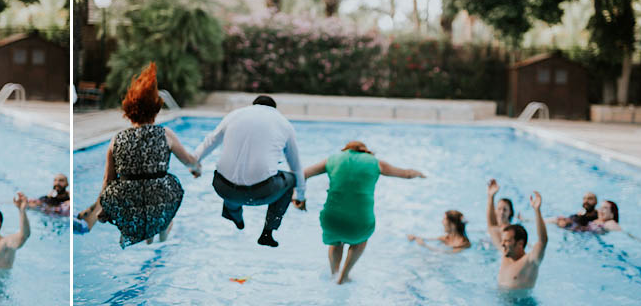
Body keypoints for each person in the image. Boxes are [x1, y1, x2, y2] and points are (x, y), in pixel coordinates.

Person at [77, 62, 200, 248]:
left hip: (128, 206)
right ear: (156, 109)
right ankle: (161, 230)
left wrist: (102, 209)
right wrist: (196, 169)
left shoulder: (117, 139)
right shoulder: (165, 134)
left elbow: (107, 181)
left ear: (128, 110)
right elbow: (189, 161)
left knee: (125, 194)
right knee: (165, 192)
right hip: (160, 200)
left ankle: (136, 230)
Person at [304, 141, 425, 284]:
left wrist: (297, 196)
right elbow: (407, 174)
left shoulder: (332, 159)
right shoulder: (376, 163)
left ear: (346, 150)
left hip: (331, 218)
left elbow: (303, 173)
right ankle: (344, 276)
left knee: (336, 241)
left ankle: (334, 273)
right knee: (360, 241)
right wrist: (420, 174)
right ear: (366, 151)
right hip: (360, 220)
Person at [192, 95, 305, 247]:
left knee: (228, 173)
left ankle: (235, 215)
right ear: (274, 109)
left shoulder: (234, 115)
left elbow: (210, 141)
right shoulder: (284, 123)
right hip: (262, 192)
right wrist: (301, 196)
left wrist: (193, 163)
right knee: (291, 179)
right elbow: (296, 166)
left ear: (253, 105)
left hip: (223, 188)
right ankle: (268, 232)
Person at [497, 191, 547, 290]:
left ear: (520, 244)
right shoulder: (506, 255)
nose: (502, 244)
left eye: (507, 241)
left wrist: (537, 210)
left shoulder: (530, 262)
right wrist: (491, 196)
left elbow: (542, 241)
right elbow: (491, 228)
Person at [407, 210, 471, 253]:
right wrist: (415, 237)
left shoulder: (464, 244)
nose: (442, 222)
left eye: (444, 219)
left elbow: (448, 254)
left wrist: (425, 246)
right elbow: (428, 239)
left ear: (452, 225)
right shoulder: (446, 238)